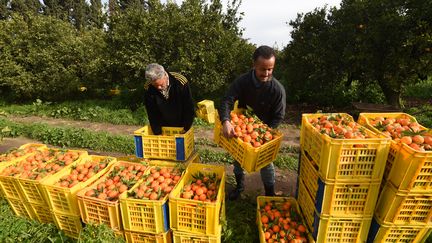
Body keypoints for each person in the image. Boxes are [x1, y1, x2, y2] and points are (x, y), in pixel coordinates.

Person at [218, 45, 286, 200]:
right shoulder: (243, 82)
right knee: (238, 157)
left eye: (270, 69)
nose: (267, 73)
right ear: (254, 65)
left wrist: (266, 134)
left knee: (266, 163)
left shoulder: (277, 90)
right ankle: (239, 186)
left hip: (263, 133)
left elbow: (279, 115)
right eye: (263, 69)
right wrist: (226, 121)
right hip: (241, 130)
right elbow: (227, 100)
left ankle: (269, 192)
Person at [144, 63, 195, 135]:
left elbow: (189, 107)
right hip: (163, 127)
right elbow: (152, 112)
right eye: (155, 85)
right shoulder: (149, 88)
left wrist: (186, 127)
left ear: (165, 75)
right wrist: (157, 132)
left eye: (161, 85)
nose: (158, 88)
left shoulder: (180, 82)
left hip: (181, 124)